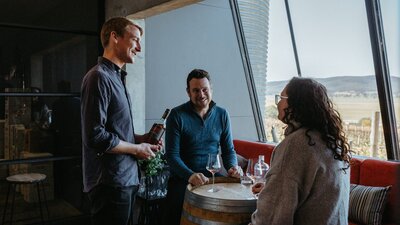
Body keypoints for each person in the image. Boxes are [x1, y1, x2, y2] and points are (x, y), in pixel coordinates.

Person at [81, 17, 161, 225]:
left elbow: (115, 131)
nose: (139, 48)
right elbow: (95, 136)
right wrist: (136, 149)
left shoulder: (116, 77)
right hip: (110, 184)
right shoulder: (98, 77)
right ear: (115, 37)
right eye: (134, 40)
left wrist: (140, 139)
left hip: (124, 180)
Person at [250, 77, 352, 225]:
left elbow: (270, 219)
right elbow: (320, 194)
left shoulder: (295, 146)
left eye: (281, 98)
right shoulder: (333, 142)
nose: (277, 102)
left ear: (296, 103)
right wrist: (271, 188)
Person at [163, 69, 242, 225]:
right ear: (188, 92)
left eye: (205, 89)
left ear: (211, 89)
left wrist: (233, 167)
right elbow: (171, 155)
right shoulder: (177, 115)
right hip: (183, 180)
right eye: (196, 90)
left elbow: (228, 151)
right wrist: (190, 175)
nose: (201, 94)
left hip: (214, 178)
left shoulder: (222, 114)